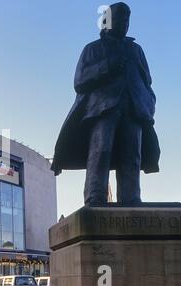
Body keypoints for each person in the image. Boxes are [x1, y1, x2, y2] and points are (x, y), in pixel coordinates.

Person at [51, 2, 160, 206]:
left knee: (132, 156)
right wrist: (108, 66)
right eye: (120, 19)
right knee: (100, 153)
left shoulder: (136, 51)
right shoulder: (93, 49)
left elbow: (147, 82)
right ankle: (95, 198)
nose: (124, 24)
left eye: (127, 20)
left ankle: (131, 199)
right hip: (103, 109)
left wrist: (149, 104)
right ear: (107, 22)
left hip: (133, 110)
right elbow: (80, 81)